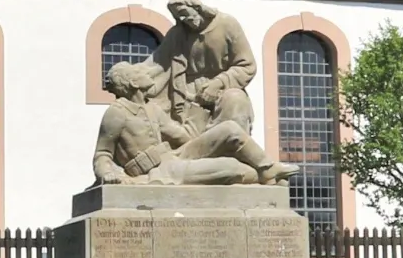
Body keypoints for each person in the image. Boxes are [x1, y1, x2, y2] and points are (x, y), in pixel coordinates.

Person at [93, 62, 298, 186]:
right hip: (161, 171)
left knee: (229, 129)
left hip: (175, 155)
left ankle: (267, 168)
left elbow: (182, 136)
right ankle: (262, 177)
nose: (147, 73)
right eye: (140, 72)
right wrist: (108, 174)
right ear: (133, 83)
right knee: (232, 168)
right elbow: (103, 154)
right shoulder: (116, 113)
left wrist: (211, 135)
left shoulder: (151, 107)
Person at [150, 0, 259, 136]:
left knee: (236, 101)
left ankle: (232, 150)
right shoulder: (177, 34)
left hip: (224, 89)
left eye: (183, 13)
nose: (182, 19)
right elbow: (156, 63)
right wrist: (129, 75)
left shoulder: (227, 24)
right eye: (177, 16)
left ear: (197, 7)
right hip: (186, 95)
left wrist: (218, 83)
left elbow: (247, 65)